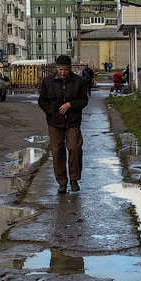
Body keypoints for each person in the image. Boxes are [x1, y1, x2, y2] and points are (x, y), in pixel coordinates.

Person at [38, 54, 89, 194]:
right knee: (57, 151)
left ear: (70, 69)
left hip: (73, 121)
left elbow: (84, 100)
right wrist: (52, 112)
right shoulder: (48, 82)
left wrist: (70, 105)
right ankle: (62, 182)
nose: (62, 72)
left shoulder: (79, 81)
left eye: (65, 69)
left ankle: (74, 179)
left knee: (75, 148)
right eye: (60, 69)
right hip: (55, 123)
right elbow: (42, 101)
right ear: (56, 69)